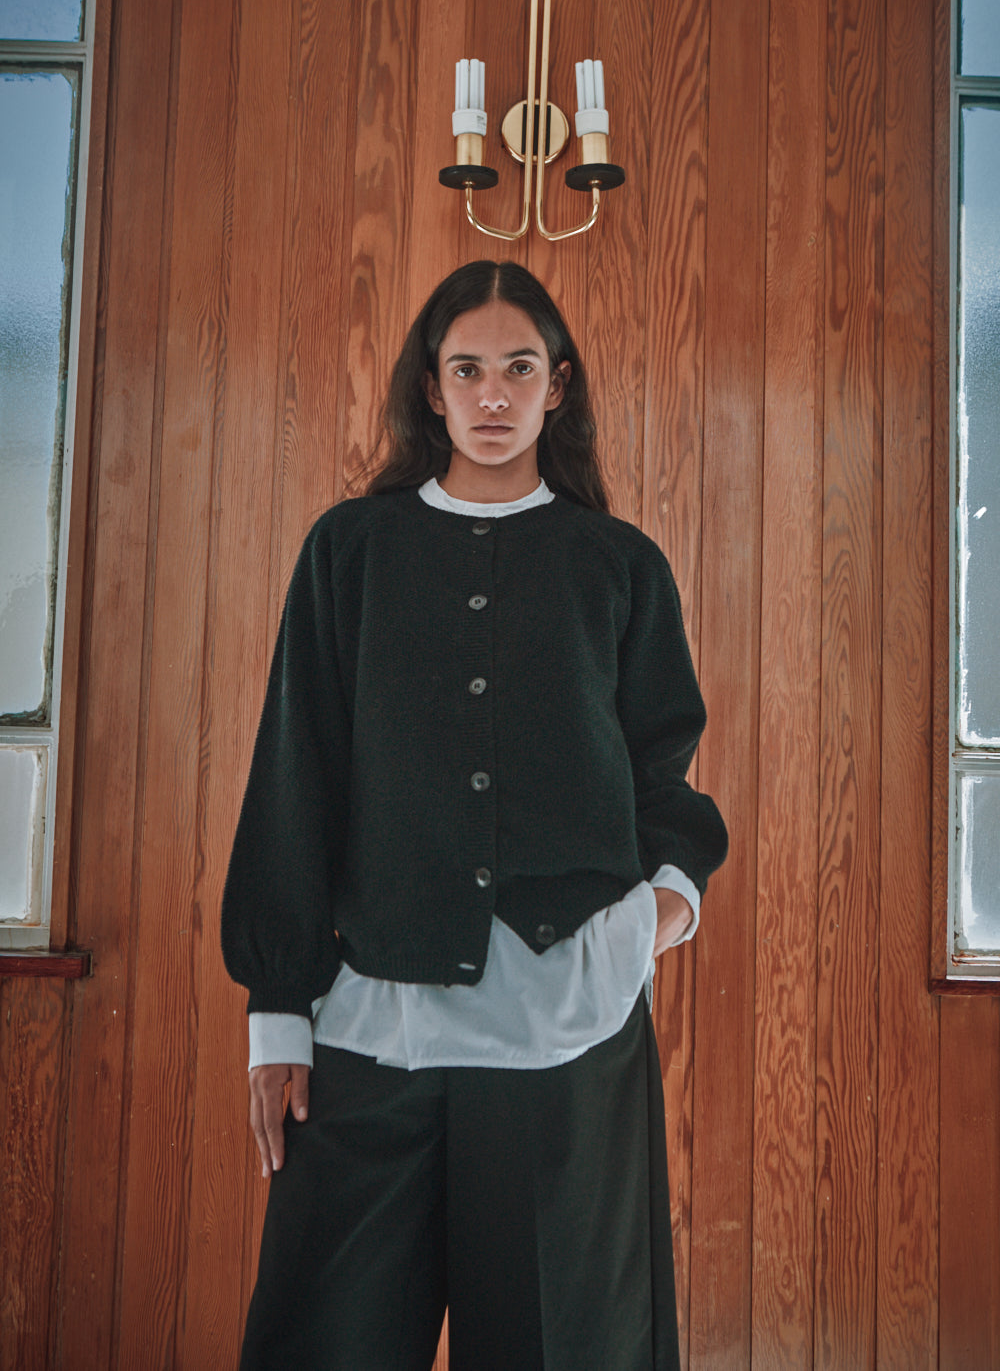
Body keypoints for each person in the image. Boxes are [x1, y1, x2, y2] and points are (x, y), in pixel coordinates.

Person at [221, 260, 727, 1371]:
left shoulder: (619, 568)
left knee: (564, 1346)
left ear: (558, 387)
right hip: (370, 1023)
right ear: (430, 388)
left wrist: (660, 913)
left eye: (517, 369)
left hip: (570, 1021)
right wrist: (277, 1009)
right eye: (466, 370)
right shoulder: (348, 553)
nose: (491, 396)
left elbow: (663, 778)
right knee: (330, 1341)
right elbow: (295, 774)